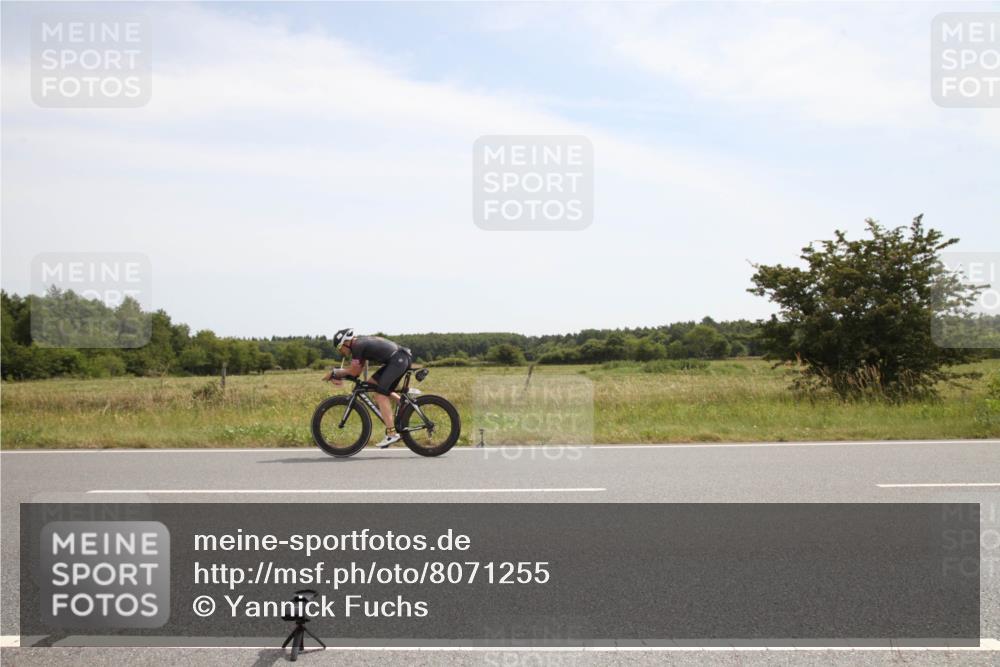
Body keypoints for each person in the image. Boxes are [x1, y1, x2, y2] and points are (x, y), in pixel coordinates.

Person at [323, 328, 412, 448]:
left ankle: (392, 433)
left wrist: (335, 372)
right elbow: (357, 371)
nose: (341, 352)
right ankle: (402, 402)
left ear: (345, 343)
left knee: (380, 395)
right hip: (398, 359)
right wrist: (339, 375)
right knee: (371, 384)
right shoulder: (359, 345)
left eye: (340, 348)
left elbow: (354, 372)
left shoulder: (357, 346)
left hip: (398, 360)